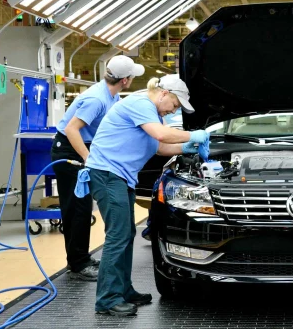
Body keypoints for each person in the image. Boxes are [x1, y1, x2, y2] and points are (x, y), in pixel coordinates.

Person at [81, 74, 210, 317]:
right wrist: (194, 135)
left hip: (119, 176)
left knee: (126, 234)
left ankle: (123, 290)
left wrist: (186, 147)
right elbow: (161, 135)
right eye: (174, 104)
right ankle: (107, 299)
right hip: (108, 174)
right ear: (163, 94)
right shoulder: (140, 104)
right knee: (118, 236)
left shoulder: (151, 112)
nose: (174, 110)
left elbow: (159, 147)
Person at [51, 55, 144, 281]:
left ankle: (80, 258)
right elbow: (73, 130)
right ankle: (78, 263)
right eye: (131, 76)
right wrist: (88, 158)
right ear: (125, 80)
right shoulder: (97, 99)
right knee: (78, 209)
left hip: (81, 149)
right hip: (70, 151)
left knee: (83, 208)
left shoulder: (111, 95)